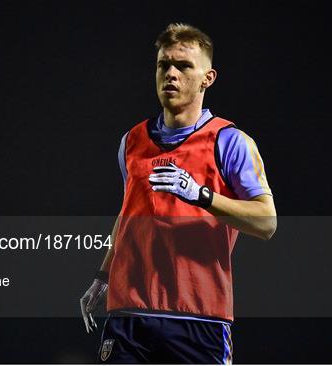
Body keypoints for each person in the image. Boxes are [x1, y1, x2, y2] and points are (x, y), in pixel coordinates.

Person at [80, 23, 277, 364]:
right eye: (163, 65)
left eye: (184, 66)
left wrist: (201, 195)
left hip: (197, 316)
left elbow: (266, 222)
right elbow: (129, 214)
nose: (171, 73)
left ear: (207, 78)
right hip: (130, 314)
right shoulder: (132, 141)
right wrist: (102, 275)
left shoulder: (230, 142)